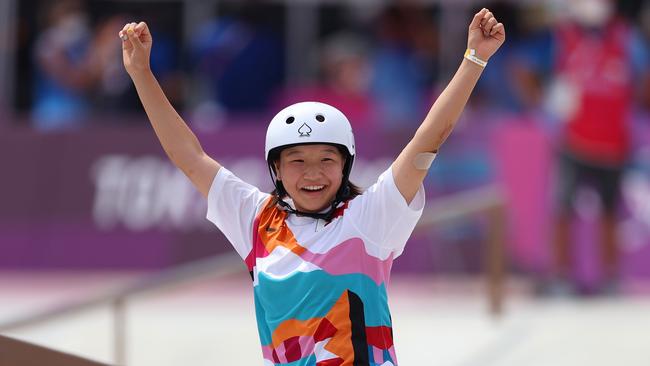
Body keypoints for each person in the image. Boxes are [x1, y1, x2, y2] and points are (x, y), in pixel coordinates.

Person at [119, 8, 504, 365]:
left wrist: (475, 59)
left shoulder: (370, 217)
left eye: (326, 160)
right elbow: (188, 155)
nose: (313, 174)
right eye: (297, 161)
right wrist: (141, 73)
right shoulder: (255, 220)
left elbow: (429, 137)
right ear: (277, 170)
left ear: (345, 165)